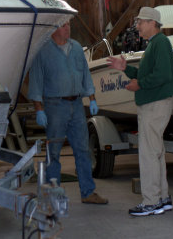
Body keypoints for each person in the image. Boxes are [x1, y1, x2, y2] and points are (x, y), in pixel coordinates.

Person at [28, 19, 108, 205]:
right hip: (55, 106)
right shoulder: (43, 51)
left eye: (69, 25)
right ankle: (51, 194)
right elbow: (36, 83)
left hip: (77, 105)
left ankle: (88, 192)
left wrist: (92, 99)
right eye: (63, 26)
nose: (68, 29)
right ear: (53, 29)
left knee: (83, 150)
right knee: (53, 152)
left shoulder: (77, 48)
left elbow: (86, 75)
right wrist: (39, 110)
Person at [107, 7, 173, 216]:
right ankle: (162, 198)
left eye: (140, 22)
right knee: (156, 152)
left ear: (152, 23)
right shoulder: (156, 44)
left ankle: (151, 202)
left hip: (154, 105)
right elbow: (148, 74)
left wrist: (140, 85)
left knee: (148, 155)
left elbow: (163, 75)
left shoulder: (160, 43)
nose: (137, 26)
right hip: (155, 104)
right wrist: (126, 69)